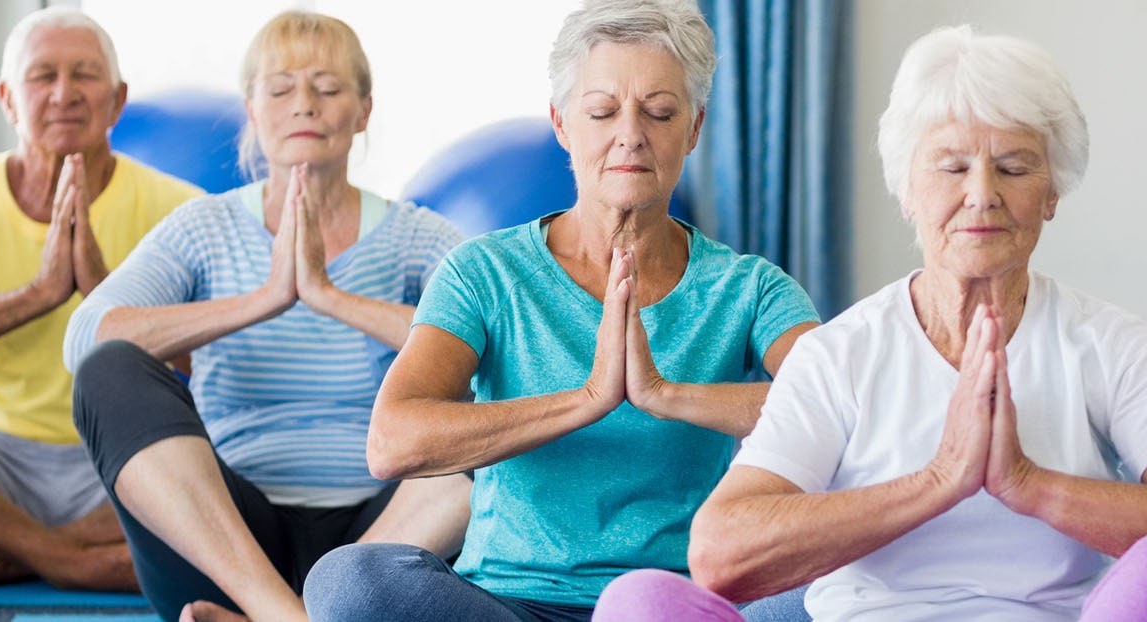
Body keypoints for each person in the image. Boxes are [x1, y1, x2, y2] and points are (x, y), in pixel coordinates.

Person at [597, 24, 1147, 622]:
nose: (981, 194)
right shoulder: (840, 354)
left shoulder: (1108, 342)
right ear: (907, 189)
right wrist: (937, 482)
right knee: (639, 604)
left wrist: (1029, 485)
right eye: (951, 167)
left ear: (1052, 192)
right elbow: (720, 554)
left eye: (1013, 167)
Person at [298, 1, 821, 620]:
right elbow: (392, 442)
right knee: (348, 581)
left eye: (659, 111)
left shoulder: (750, 287)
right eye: (602, 110)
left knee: (844, 576)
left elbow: (842, 409)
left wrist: (665, 394)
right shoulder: (483, 272)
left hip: (672, 606)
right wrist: (588, 398)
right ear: (562, 124)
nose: (630, 133)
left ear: (695, 128)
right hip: (511, 604)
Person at [63, 10, 468, 622]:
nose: (304, 103)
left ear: (363, 111)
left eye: (328, 88)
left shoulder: (415, 237)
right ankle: (286, 614)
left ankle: (314, 608)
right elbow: (86, 336)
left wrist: (331, 297)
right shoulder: (205, 229)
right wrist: (264, 299)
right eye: (280, 89)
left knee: (502, 404)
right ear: (253, 111)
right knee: (108, 369)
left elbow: (507, 350)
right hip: (227, 545)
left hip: (390, 537)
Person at [0, 6, 200, 593]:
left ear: (118, 100)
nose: (64, 93)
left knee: (259, 475)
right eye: (42, 75)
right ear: (7, 98)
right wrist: (38, 295)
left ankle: (7, 554)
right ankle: (64, 557)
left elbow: (214, 380)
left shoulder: (181, 210)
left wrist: (102, 296)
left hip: (122, 465)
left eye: (85, 74)